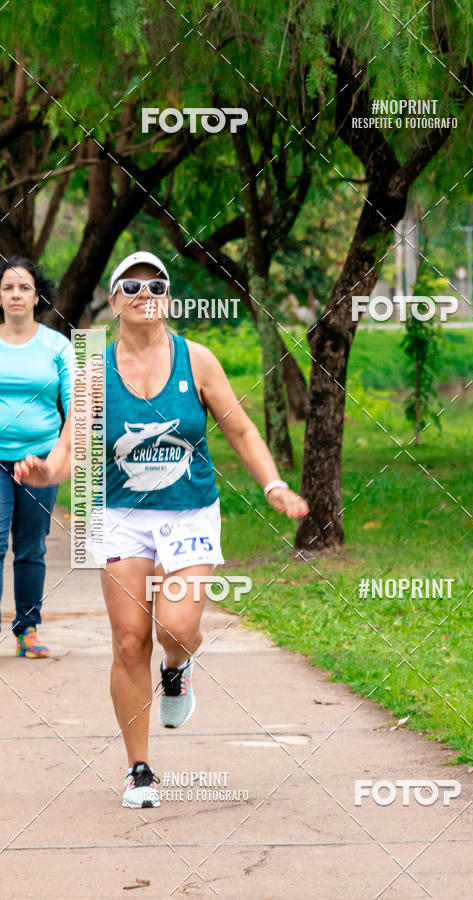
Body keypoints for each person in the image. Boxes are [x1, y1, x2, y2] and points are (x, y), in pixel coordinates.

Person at [15, 251, 308, 808]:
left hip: (188, 513)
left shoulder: (197, 361)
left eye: (156, 285)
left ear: (168, 297)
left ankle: (178, 667)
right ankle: (139, 769)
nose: (144, 293)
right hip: (120, 516)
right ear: (115, 297)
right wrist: (42, 471)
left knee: (174, 631)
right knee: (129, 641)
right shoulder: (94, 372)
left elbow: (242, 431)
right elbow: (70, 451)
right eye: (132, 285)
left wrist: (273, 485)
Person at [0, 256, 75, 659]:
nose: (15, 294)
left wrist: (58, 456)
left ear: (36, 295)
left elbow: (77, 405)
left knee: (31, 546)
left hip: (41, 463)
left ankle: (27, 630)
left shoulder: (56, 346)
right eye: (8, 287)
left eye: (23, 287)